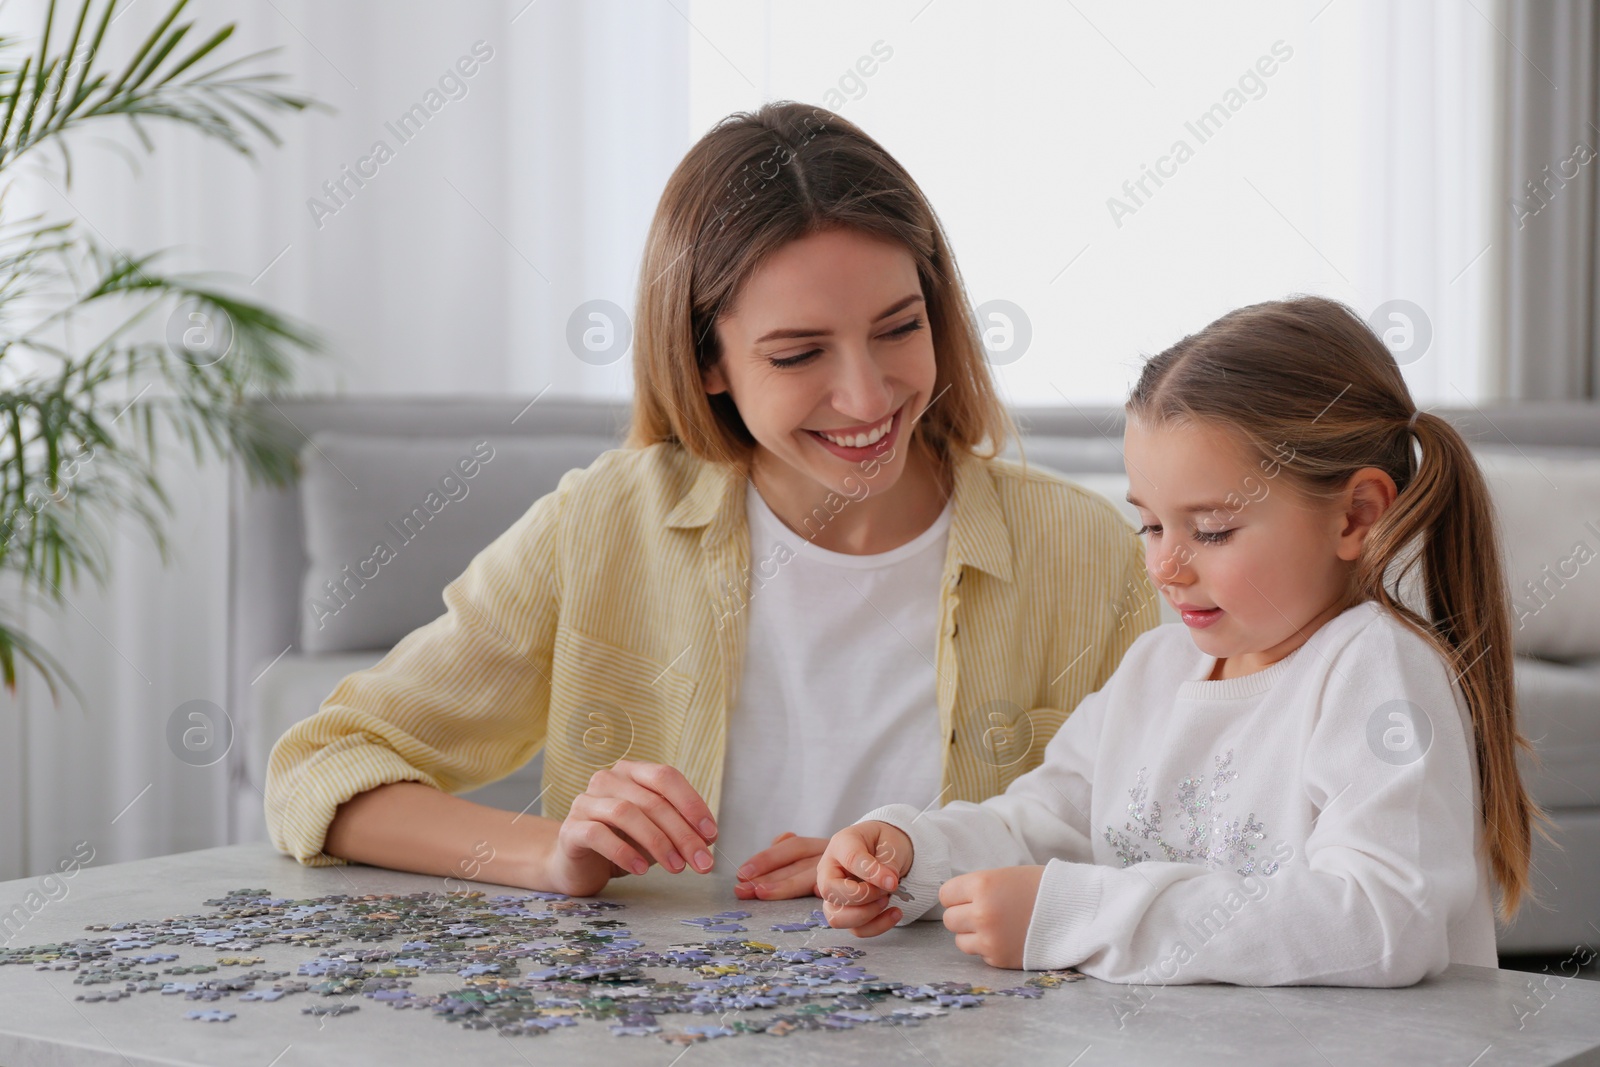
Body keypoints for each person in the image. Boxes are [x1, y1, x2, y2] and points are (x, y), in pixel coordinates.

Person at [264, 101, 1161, 898]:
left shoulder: (1088, 550)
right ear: (706, 362)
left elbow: (1164, 838)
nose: (867, 395)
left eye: (899, 327)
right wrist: (550, 854)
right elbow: (320, 765)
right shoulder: (605, 525)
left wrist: (923, 861)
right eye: (798, 353)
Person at [818, 296, 1548, 986]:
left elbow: (1387, 921)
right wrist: (911, 855)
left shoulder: (1374, 669)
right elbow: (1041, 822)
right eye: (1152, 524)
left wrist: (1083, 915)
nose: (1166, 564)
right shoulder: (1157, 668)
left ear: (1355, 515)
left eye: (1212, 529)